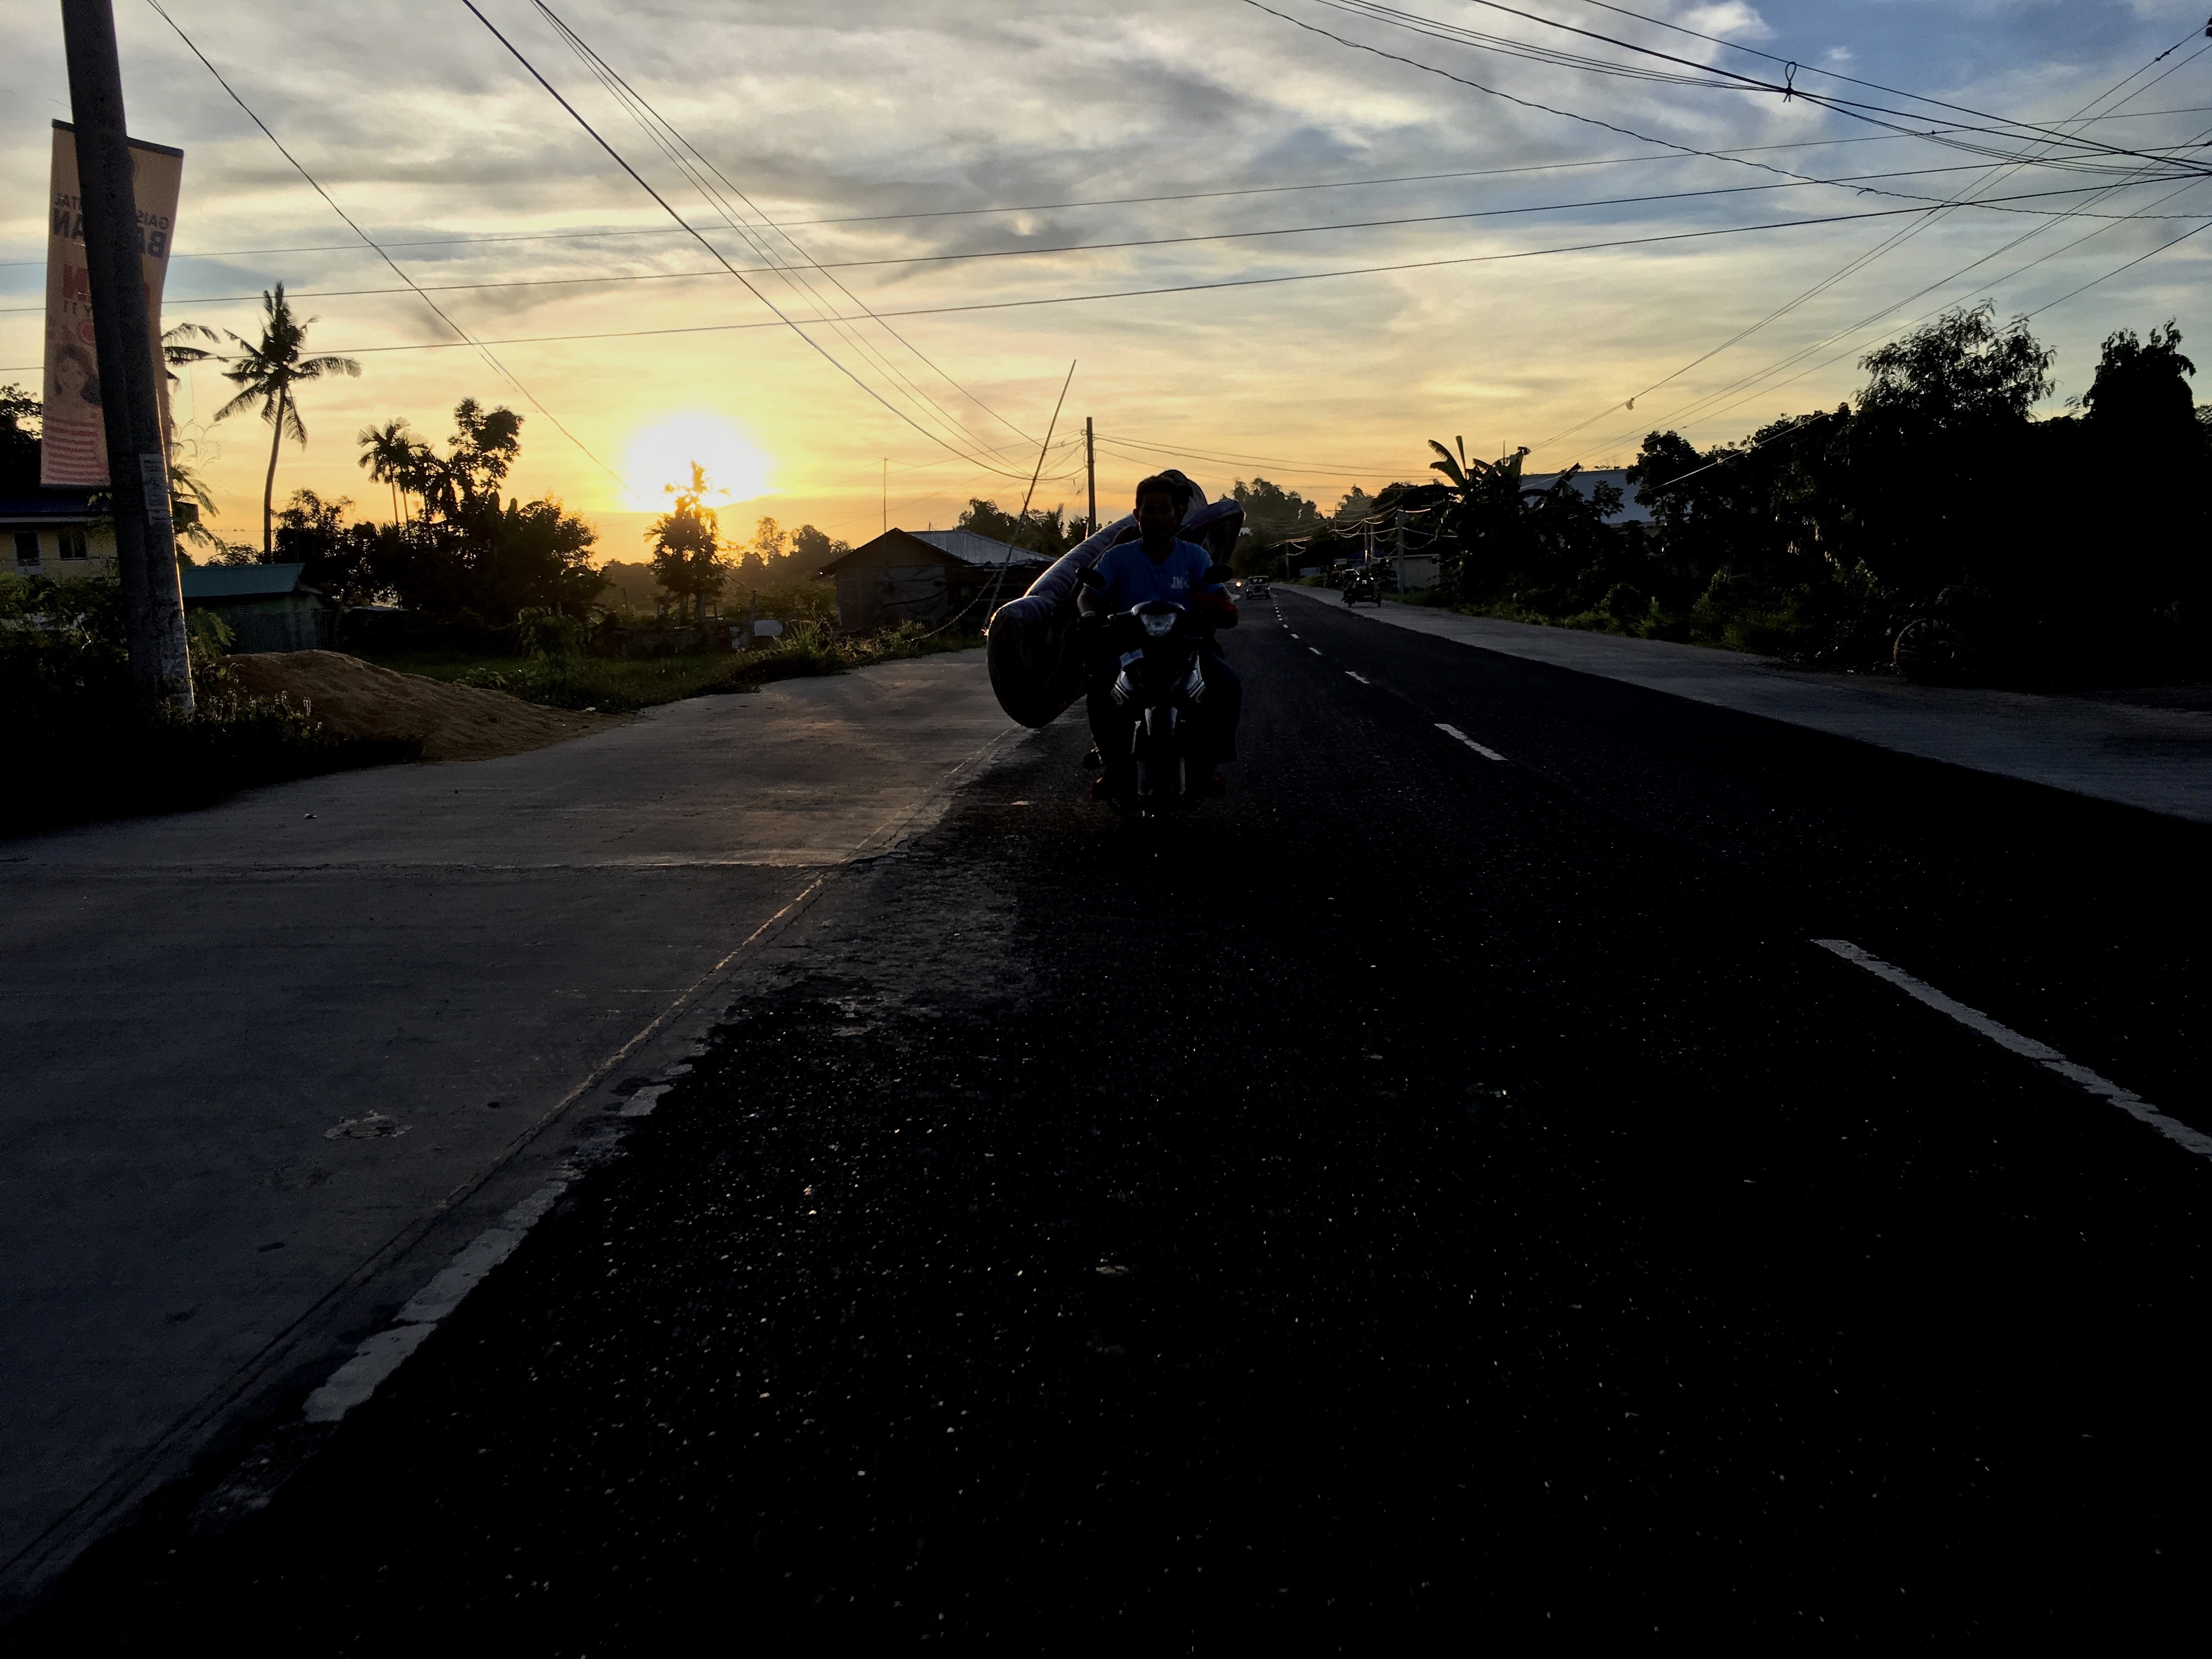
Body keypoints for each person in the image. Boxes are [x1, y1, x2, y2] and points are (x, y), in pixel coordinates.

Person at [1084, 473, 1242, 797]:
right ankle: (1112, 766)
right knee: (1099, 687)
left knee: (1227, 683)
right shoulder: (1117, 558)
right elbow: (1089, 594)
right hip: (1130, 649)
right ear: (1137, 514)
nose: (1157, 517)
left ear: (1177, 514)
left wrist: (1223, 608)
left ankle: (1211, 766)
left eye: (1165, 510)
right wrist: (1088, 614)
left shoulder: (1195, 556)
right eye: (1150, 510)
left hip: (1188, 648)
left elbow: (1218, 592)